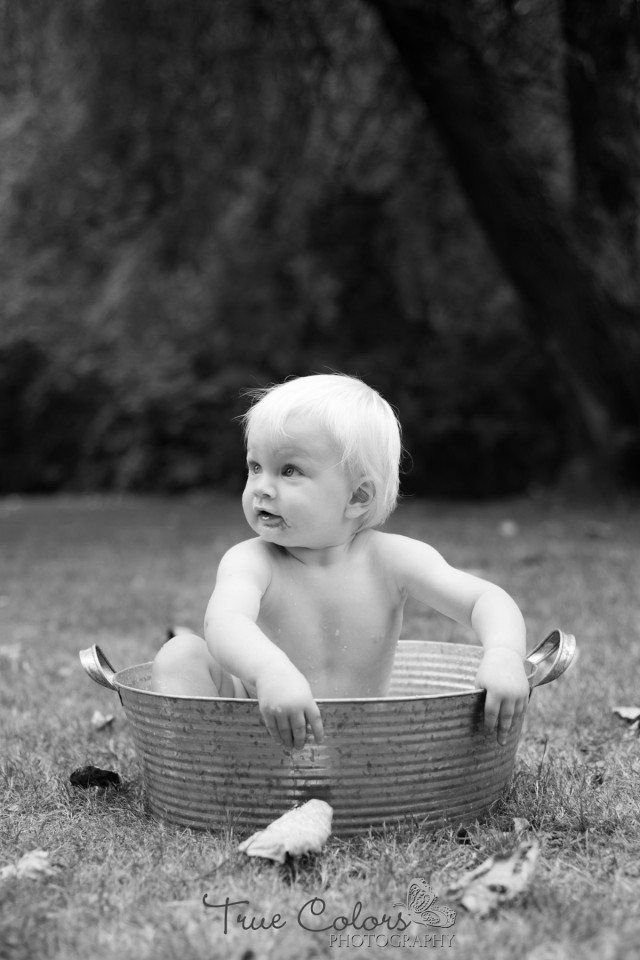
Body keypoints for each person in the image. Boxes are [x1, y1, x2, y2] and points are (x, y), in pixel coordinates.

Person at [152, 373, 529, 751]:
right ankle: (201, 763)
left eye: (289, 471)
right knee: (180, 654)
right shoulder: (252, 560)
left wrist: (504, 655)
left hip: (358, 742)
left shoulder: (391, 559)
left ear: (357, 497)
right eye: (255, 467)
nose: (261, 488)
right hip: (256, 727)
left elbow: (485, 599)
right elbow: (224, 622)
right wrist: (271, 671)